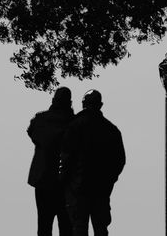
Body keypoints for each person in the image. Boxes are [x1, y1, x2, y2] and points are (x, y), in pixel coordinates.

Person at [60, 89, 126, 236]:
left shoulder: (74, 126)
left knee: (79, 227)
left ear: (83, 104)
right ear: (100, 105)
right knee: (101, 228)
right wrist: (109, 180)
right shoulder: (111, 130)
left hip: (79, 187)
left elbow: (66, 156)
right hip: (101, 188)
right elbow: (120, 160)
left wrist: (65, 180)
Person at [27, 87, 74, 236]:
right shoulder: (73, 124)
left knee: (44, 225)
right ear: (69, 103)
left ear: (53, 101)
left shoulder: (40, 120)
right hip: (64, 182)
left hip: (42, 180)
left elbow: (31, 133)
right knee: (66, 226)